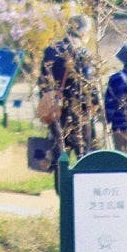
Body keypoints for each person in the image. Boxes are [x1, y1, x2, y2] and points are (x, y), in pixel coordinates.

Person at [36, 21, 100, 165]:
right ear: (83, 34)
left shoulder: (50, 51)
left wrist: (47, 101)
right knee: (84, 157)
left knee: (59, 155)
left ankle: (61, 186)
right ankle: (81, 187)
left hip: (56, 110)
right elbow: (89, 87)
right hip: (78, 111)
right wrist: (96, 105)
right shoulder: (84, 55)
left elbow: (42, 81)